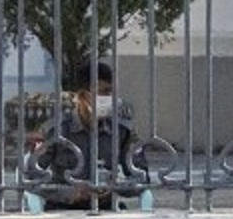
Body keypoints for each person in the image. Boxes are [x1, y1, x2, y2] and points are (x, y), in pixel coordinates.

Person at [27, 60, 146, 210]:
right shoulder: (55, 130)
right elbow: (31, 179)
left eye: (111, 92)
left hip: (107, 209)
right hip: (63, 210)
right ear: (82, 96)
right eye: (102, 92)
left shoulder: (122, 131)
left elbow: (142, 177)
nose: (108, 98)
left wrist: (116, 187)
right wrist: (71, 193)